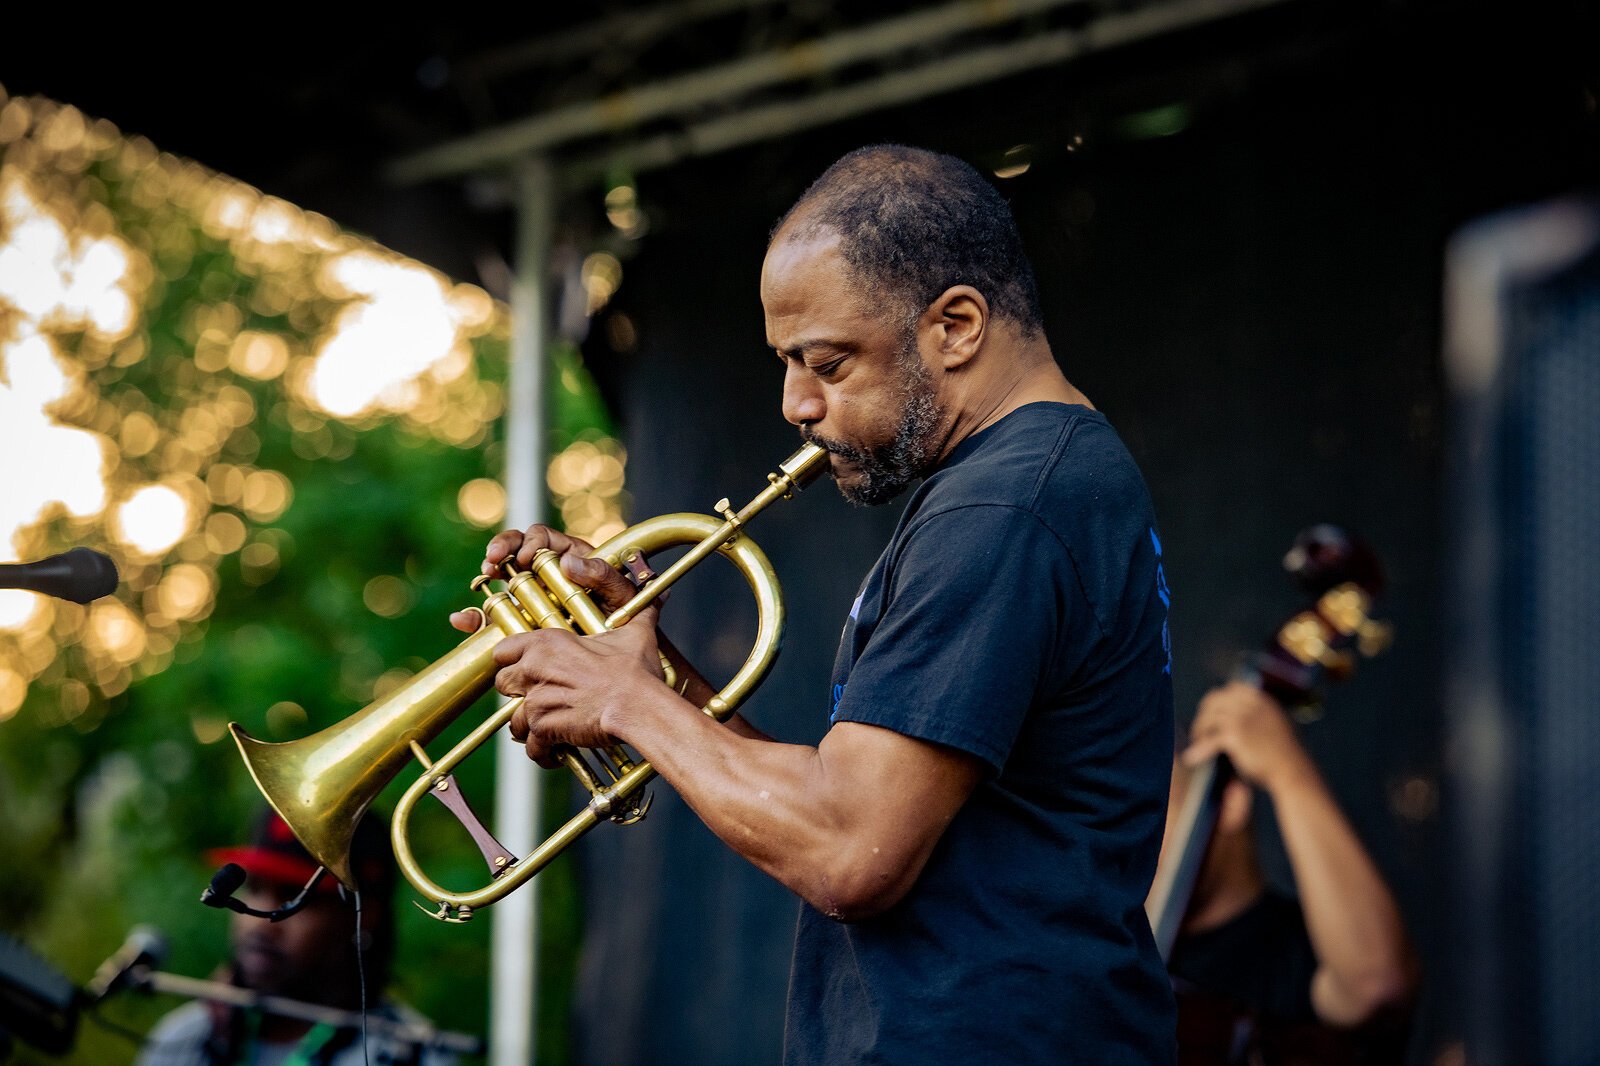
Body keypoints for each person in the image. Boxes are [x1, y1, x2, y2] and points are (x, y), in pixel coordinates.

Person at [457, 145, 1177, 1064]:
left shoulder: (1004, 508)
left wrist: (624, 701)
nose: (796, 402)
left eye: (827, 362)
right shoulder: (1041, 481)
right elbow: (855, 810)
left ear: (956, 325)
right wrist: (649, 671)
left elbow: (851, 851)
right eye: (787, 363)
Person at [1165, 682, 1419, 1065]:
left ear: (1230, 802)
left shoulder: (1295, 956)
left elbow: (1375, 986)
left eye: (1145, 811)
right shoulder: (1109, 957)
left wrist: (1287, 771)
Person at [136, 811, 456, 1066]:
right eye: (254, 889)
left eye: (295, 898)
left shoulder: (414, 1053)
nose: (260, 922)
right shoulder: (180, 1039)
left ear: (363, 916)